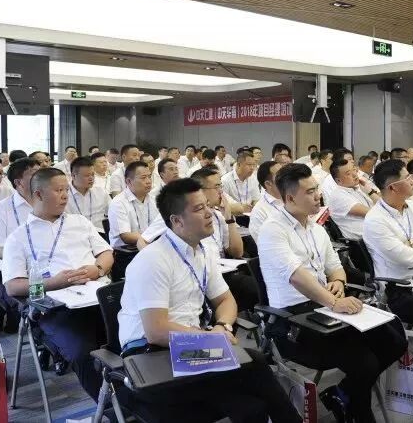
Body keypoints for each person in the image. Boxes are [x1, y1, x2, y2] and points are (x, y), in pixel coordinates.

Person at [115, 178, 301, 423]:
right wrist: (209, 338)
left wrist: (222, 327)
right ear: (177, 221)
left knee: (251, 399)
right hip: (151, 355)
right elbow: (156, 331)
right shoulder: (152, 260)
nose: (209, 213)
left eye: (207, 205)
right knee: (252, 370)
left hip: (190, 347)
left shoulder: (200, 252)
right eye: (198, 208)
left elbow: (226, 300)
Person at [258, 163, 406, 422]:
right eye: (310, 192)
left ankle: (342, 394)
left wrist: (337, 281)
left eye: (317, 189)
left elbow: (336, 267)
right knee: (364, 361)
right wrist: (333, 302)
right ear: (290, 198)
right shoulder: (273, 230)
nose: (318, 196)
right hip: (292, 319)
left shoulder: (316, 228)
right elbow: (297, 276)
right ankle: (357, 411)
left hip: (324, 307)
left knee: (394, 339)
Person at [2, 168, 112, 400]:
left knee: (131, 342)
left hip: (97, 297)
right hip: (58, 307)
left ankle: (136, 402)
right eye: (58, 190)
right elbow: (13, 286)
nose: (65, 196)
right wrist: (53, 283)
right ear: (38, 194)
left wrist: (98, 269)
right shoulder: (18, 237)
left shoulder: (79, 222)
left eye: (66, 190)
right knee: (83, 354)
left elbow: (106, 253)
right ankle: (113, 409)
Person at [363, 159, 413, 325]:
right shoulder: (375, 220)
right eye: (407, 177)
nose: (412, 180)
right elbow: (405, 259)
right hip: (401, 288)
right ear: (393, 187)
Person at [191, 168, 259, 311]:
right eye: (217, 187)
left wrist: (229, 218)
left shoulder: (218, 214)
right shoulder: (185, 216)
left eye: (221, 186)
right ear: (200, 191)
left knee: (262, 280)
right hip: (204, 275)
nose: (221, 191)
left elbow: (237, 252)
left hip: (225, 271)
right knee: (256, 287)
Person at [108, 162, 159, 280]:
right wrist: (151, 239)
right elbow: (126, 236)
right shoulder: (118, 202)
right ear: (128, 181)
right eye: (143, 178)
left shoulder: (153, 200)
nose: (148, 181)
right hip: (126, 255)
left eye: (149, 177)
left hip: (151, 248)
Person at [0, 157, 40, 259]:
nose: (42, 178)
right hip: (16, 265)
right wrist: (20, 259)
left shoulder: (51, 203)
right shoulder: (0, 210)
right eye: (35, 174)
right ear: (18, 182)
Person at [328, 159, 380, 240]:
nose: (354, 175)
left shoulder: (357, 189)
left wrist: (370, 192)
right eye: (348, 173)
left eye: (354, 170)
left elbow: (383, 207)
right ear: (338, 180)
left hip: (376, 233)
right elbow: (375, 213)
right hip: (367, 240)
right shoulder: (338, 196)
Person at [65, 156, 111, 233]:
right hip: (75, 234)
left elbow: (114, 213)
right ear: (73, 176)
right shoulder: (64, 195)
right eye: (87, 175)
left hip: (100, 234)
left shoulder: (101, 192)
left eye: (93, 175)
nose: (91, 178)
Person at [249, 160, 285, 241]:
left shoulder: (293, 198)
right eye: (280, 175)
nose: (286, 177)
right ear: (268, 184)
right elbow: (265, 243)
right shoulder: (259, 212)